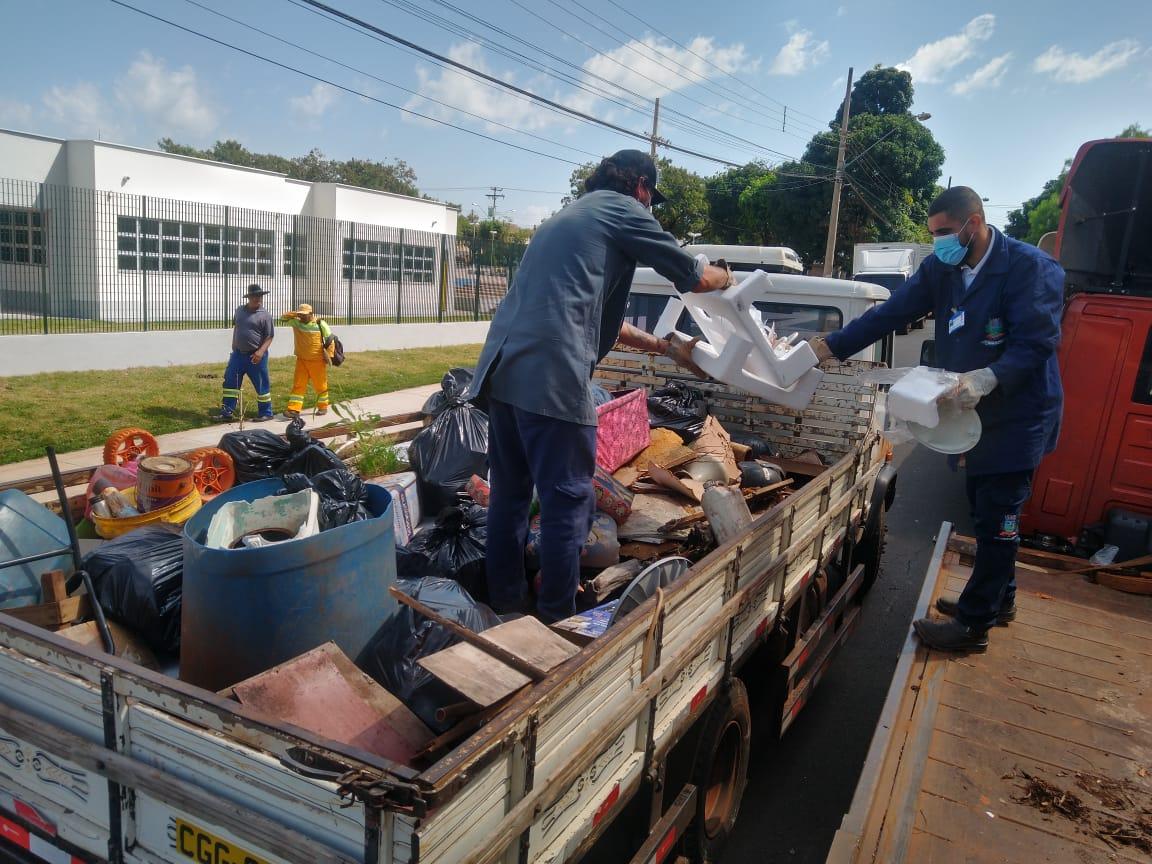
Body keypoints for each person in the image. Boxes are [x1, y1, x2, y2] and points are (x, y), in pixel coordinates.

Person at [469, 148, 733, 623]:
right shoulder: (624, 210)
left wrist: (662, 346)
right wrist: (726, 276)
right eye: (651, 195)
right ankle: (555, 621)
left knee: (509, 495)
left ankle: (504, 606)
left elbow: (594, 321)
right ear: (640, 187)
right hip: (551, 377)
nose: (649, 205)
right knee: (567, 500)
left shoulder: (568, 218)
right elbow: (694, 278)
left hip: (503, 371)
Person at [809, 186, 1064, 652]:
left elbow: (1037, 343)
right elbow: (892, 312)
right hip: (966, 415)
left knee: (998, 518)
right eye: (934, 236)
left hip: (1017, 416)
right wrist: (830, 346)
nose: (940, 243)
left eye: (946, 232)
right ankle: (999, 598)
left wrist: (987, 378)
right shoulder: (942, 269)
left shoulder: (1030, 268)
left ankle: (973, 626)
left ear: (975, 222)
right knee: (982, 507)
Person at [219, 284, 275, 422]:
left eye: (260, 296)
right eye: (255, 296)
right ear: (249, 297)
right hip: (238, 355)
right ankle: (227, 412)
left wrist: (260, 352)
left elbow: (269, 336)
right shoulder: (239, 311)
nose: (258, 299)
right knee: (230, 383)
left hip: (255, 356)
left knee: (261, 384)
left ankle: (266, 413)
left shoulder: (265, 315)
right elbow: (237, 327)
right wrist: (234, 343)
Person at [279, 303, 335, 419]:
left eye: (305, 315)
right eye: (301, 315)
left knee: (320, 385)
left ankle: (323, 406)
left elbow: (330, 339)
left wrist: (329, 355)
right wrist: (296, 313)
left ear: (311, 314)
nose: (302, 317)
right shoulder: (296, 322)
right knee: (298, 385)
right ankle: (294, 409)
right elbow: (282, 318)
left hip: (317, 361)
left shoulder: (320, 323)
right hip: (302, 360)